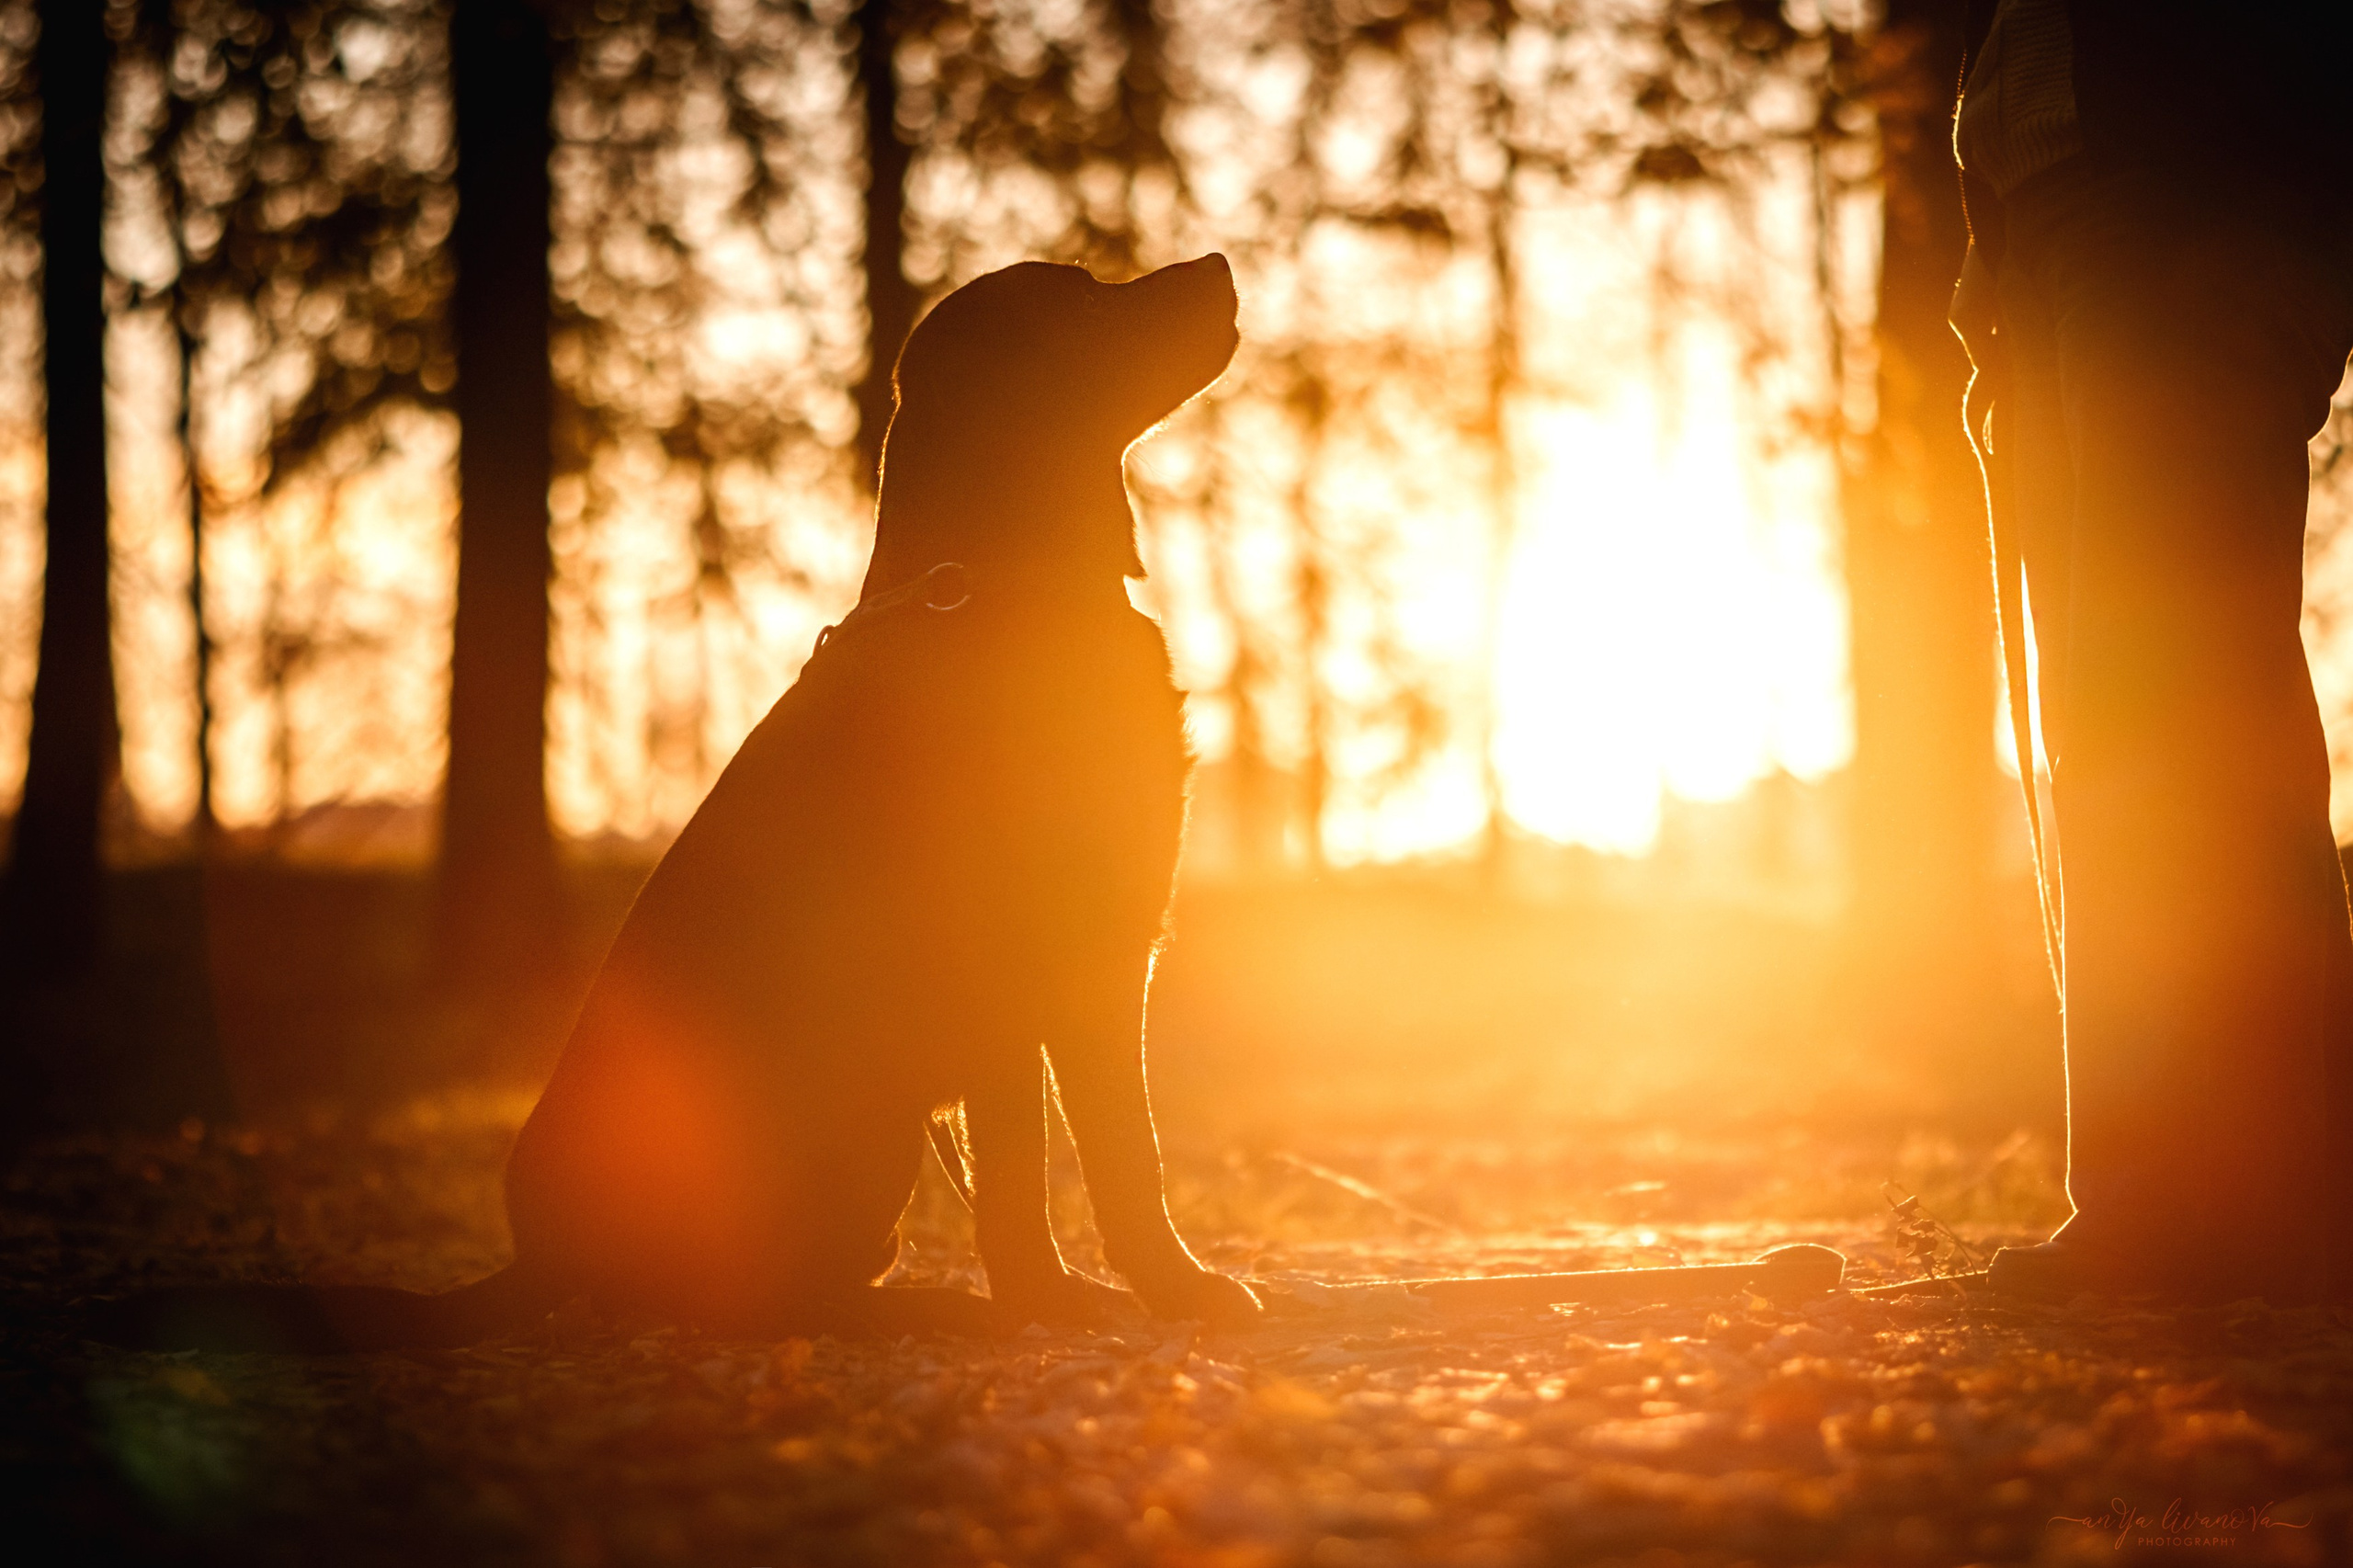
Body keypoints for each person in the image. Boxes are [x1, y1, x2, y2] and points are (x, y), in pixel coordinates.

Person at [1949, 1, 2353, 1302]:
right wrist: (1990, 251)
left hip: (2190, 205)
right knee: (2103, 729)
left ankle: (2281, 1199)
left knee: (2189, 709)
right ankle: (2142, 1199)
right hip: (2054, 213)